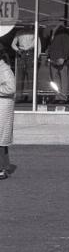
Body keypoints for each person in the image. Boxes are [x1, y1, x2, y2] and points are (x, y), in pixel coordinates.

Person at [0, 43, 14, 180]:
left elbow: (11, 88)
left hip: (2, 108)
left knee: (1, 141)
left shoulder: (4, 70)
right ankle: (4, 167)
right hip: (2, 107)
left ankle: (2, 169)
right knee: (1, 141)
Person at [46, 24, 69, 100]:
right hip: (56, 59)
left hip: (59, 59)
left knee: (60, 79)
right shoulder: (57, 37)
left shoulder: (63, 36)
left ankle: (61, 97)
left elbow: (67, 48)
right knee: (58, 80)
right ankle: (59, 97)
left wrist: (63, 57)